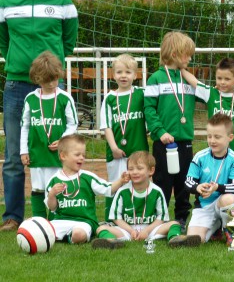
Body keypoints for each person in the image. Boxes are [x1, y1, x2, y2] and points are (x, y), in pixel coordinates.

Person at [0, 0, 78, 231]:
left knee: (60, 149)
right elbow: (3, 42)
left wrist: (50, 70)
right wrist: (18, 62)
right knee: (13, 154)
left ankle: (63, 209)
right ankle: (12, 216)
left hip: (52, 86)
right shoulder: (6, 3)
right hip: (17, 85)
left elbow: (68, 42)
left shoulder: (63, 3)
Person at [182, 57, 234, 234]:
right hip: (216, 152)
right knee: (216, 182)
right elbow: (195, 82)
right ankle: (214, 219)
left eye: (227, 79)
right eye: (219, 78)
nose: (222, 82)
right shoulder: (211, 94)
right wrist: (180, 67)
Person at [92, 151, 201, 249]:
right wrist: (130, 231)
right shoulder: (122, 191)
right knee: (101, 228)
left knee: (174, 224)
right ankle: (111, 241)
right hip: (127, 230)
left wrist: (147, 230)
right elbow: (116, 218)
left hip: (150, 229)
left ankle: (175, 239)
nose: (134, 172)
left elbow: (161, 218)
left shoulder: (157, 191)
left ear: (151, 170)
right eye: (131, 169)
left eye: (139, 168)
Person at [144, 31, 196, 231]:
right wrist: (159, 130)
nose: (190, 58)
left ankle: (182, 218)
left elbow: (207, 94)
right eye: (187, 54)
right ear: (175, 54)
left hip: (185, 141)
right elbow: (149, 108)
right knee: (163, 181)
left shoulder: (188, 79)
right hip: (163, 142)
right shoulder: (156, 79)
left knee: (184, 182)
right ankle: (161, 218)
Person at [20, 51, 78, 218]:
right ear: (38, 79)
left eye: (55, 78)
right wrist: (23, 151)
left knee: (55, 187)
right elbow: (25, 126)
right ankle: (38, 220)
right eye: (47, 80)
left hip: (57, 153)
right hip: (37, 152)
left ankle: (55, 221)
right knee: (37, 187)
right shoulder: (30, 99)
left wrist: (62, 141)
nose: (52, 83)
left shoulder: (65, 98)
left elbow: (72, 124)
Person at [44, 134, 129, 244]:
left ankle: (70, 238)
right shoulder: (54, 180)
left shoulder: (88, 177)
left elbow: (108, 189)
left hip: (83, 222)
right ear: (63, 156)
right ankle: (64, 236)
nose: (82, 158)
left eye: (83, 155)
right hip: (60, 220)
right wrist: (52, 194)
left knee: (79, 234)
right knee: (43, 231)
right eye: (77, 154)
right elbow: (52, 207)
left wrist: (120, 181)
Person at [100, 53, 149, 220]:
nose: (123, 76)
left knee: (139, 184)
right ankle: (110, 220)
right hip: (116, 152)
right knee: (116, 185)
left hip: (138, 150)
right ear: (113, 75)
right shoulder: (109, 98)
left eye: (128, 72)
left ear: (135, 75)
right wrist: (113, 147)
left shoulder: (142, 94)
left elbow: (150, 114)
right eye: (119, 72)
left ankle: (138, 218)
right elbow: (106, 125)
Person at [184, 113, 234, 245]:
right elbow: (188, 181)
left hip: (222, 202)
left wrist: (217, 187)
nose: (212, 140)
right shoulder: (200, 156)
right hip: (203, 206)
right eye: (209, 136)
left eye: (217, 137)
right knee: (197, 240)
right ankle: (216, 227)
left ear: (230, 137)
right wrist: (197, 187)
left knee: (229, 199)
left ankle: (231, 231)